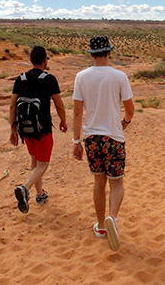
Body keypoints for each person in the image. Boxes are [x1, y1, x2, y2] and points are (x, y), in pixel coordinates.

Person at [72, 35, 135, 251]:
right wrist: (124, 123)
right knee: (116, 182)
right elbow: (130, 109)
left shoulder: (81, 77)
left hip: (91, 137)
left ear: (91, 54)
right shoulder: (120, 77)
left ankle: (100, 226)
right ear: (109, 52)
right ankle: (113, 218)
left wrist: (75, 141)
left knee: (99, 182)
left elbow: (78, 112)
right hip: (113, 136)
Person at [9, 46, 68, 214]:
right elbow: (59, 104)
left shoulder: (21, 78)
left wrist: (13, 128)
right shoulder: (49, 79)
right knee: (43, 164)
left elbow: (13, 105)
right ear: (45, 61)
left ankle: (40, 194)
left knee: (35, 161)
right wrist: (63, 121)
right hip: (43, 129)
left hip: (25, 129)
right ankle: (25, 188)